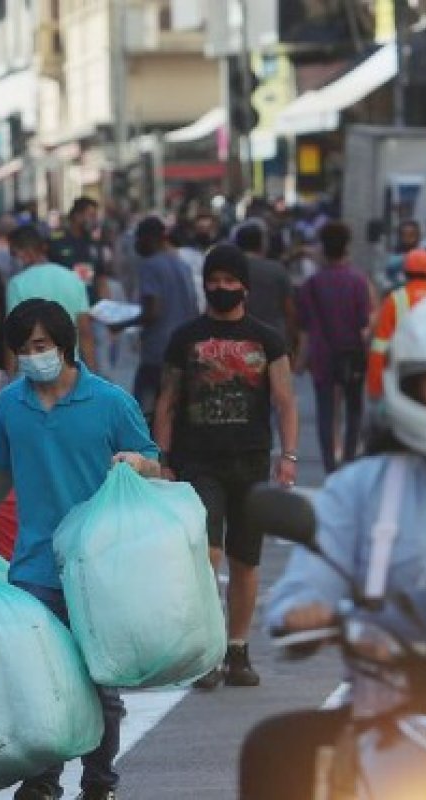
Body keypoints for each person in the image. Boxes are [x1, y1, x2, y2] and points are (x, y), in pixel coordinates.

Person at [240, 290, 426, 800]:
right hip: (388, 710)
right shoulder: (359, 488)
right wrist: (305, 610)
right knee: (273, 747)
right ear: (410, 383)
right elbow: (311, 577)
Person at [0, 299, 160, 800]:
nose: (32, 356)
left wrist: (138, 463)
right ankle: (42, 781)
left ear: (64, 345)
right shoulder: (9, 405)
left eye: (40, 345)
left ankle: (99, 783)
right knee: (41, 681)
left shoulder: (110, 401)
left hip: (98, 566)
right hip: (34, 565)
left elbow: (154, 463)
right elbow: (2, 472)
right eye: (22, 349)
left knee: (101, 683)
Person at [154, 245, 299, 690]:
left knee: (245, 559)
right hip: (197, 461)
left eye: (229, 281)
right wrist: (162, 460)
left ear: (245, 288)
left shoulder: (267, 339)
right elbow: (166, 401)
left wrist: (289, 457)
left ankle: (238, 649)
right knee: (207, 555)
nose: (221, 288)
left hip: (251, 461)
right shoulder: (185, 338)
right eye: (213, 280)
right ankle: (210, 650)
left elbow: (285, 401)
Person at [296, 221, 372, 474]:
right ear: (346, 247)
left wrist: (300, 360)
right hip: (352, 354)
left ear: (323, 248)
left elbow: (304, 327)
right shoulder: (358, 281)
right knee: (354, 409)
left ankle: (330, 465)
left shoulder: (311, 284)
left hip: (322, 356)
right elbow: (363, 323)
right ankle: (349, 459)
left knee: (326, 412)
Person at [110, 216, 199, 421]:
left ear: (150, 239)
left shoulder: (150, 266)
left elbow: (153, 311)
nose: (136, 245)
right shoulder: (182, 265)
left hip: (158, 350)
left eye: (139, 239)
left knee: (142, 410)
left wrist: (121, 324)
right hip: (184, 348)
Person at [6, 224, 96, 370]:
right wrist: (91, 373)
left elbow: (12, 335)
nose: (12, 259)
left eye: (13, 254)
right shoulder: (73, 279)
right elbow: (85, 331)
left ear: (25, 253)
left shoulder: (17, 284)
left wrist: (9, 375)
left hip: (33, 371)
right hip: (68, 370)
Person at [366, 249, 426, 401]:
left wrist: (375, 386)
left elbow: (380, 346)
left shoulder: (394, 300)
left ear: (405, 272)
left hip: (404, 374)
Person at [235, 221, 298, 352]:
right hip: (274, 341)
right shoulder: (277, 270)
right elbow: (289, 310)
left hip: (240, 342)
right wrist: (291, 343)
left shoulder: (230, 271)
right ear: (262, 244)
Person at [49, 197, 108, 304]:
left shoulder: (94, 243)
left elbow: (101, 276)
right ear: (77, 216)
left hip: (91, 302)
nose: (94, 220)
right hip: (64, 302)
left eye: (95, 216)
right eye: (91, 216)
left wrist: (105, 302)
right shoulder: (57, 241)